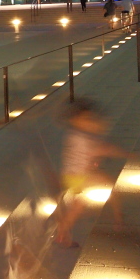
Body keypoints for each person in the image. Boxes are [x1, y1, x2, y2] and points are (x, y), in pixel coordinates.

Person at [54, 101, 127, 248]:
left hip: (73, 176)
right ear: (75, 121)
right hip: (78, 178)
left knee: (77, 207)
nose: (90, 121)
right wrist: (125, 154)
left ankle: (62, 235)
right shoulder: (80, 138)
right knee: (108, 186)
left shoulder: (76, 134)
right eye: (86, 118)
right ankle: (118, 220)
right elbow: (101, 148)